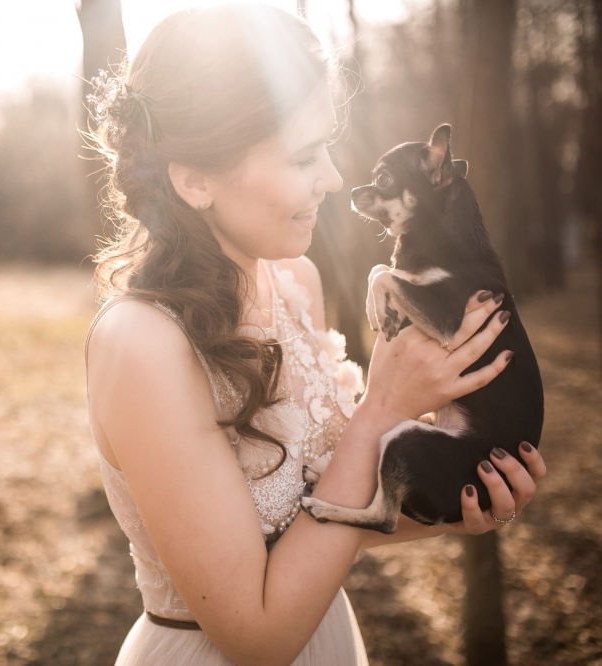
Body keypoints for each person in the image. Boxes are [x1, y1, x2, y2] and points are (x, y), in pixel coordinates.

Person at [82, 5, 547, 666]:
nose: (332, 178)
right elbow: (257, 636)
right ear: (195, 178)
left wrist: (456, 502)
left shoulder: (296, 282)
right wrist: (381, 410)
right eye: (304, 156)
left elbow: (315, 526)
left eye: (327, 146)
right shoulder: (142, 346)